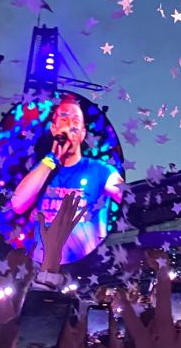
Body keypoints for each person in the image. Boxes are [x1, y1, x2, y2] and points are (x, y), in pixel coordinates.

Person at [10, 95, 123, 264]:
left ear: (83, 133)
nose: (70, 123)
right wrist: (51, 159)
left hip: (82, 264)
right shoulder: (43, 169)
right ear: (54, 129)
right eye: (64, 117)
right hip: (43, 265)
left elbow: (128, 196)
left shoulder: (102, 170)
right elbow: (18, 204)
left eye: (76, 119)